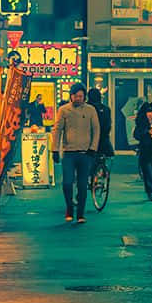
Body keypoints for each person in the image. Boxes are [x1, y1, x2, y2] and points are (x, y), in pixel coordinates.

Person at [51, 83, 99, 223]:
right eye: (76, 96)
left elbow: (96, 129)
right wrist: (55, 149)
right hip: (69, 153)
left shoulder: (90, 110)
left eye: (81, 96)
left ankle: (81, 214)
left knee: (83, 185)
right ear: (71, 96)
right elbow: (57, 130)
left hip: (85, 153)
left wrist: (93, 148)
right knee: (67, 183)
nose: (78, 98)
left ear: (84, 97)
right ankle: (69, 208)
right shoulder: (64, 110)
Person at [86, 87, 114, 160]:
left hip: (88, 142)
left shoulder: (86, 108)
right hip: (104, 142)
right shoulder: (106, 109)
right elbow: (108, 125)